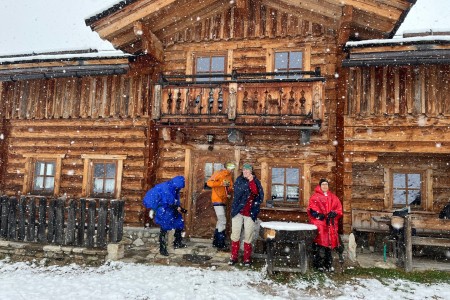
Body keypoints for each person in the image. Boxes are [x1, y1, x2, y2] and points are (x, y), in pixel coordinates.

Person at [229, 163, 264, 266]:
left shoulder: (256, 182)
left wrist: (251, 181)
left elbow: (257, 193)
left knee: (248, 235)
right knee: (235, 235)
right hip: (238, 212)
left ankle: (246, 259)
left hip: (250, 213)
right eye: (244, 170)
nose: (245, 172)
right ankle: (233, 257)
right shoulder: (239, 181)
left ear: (251, 172)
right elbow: (238, 194)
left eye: (247, 170)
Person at [142, 176, 188, 256]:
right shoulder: (167, 188)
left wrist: (179, 208)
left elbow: (174, 201)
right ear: (177, 184)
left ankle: (177, 242)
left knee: (179, 222)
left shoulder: (174, 188)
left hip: (168, 206)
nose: (180, 188)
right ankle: (162, 248)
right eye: (180, 187)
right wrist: (178, 208)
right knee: (164, 227)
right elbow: (169, 201)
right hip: (162, 207)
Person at [307, 178, 343, 272]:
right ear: (319, 186)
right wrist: (318, 215)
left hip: (330, 224)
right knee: (320, 244)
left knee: (329, 245)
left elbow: (339, 209)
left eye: (326, 184)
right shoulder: (315, 197)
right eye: (323, 184)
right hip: (320, 224)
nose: (324, 186)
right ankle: (318, 264)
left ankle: (328, 264)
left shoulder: (333, 197)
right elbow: (312, 209)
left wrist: (334, 213)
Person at [206, 162, 236, 250]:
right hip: (217, 200)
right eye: (230, 167)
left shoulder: (229, 176)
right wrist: (221, 183)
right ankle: (220, 242)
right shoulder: (218, 173)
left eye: (232, 167)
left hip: (224, 200)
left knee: (220, 221)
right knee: (223, 220)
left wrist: (229, 191)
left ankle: (216, 242)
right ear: (225, 166)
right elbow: (209, 183)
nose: (231, 169)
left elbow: (229, 188)